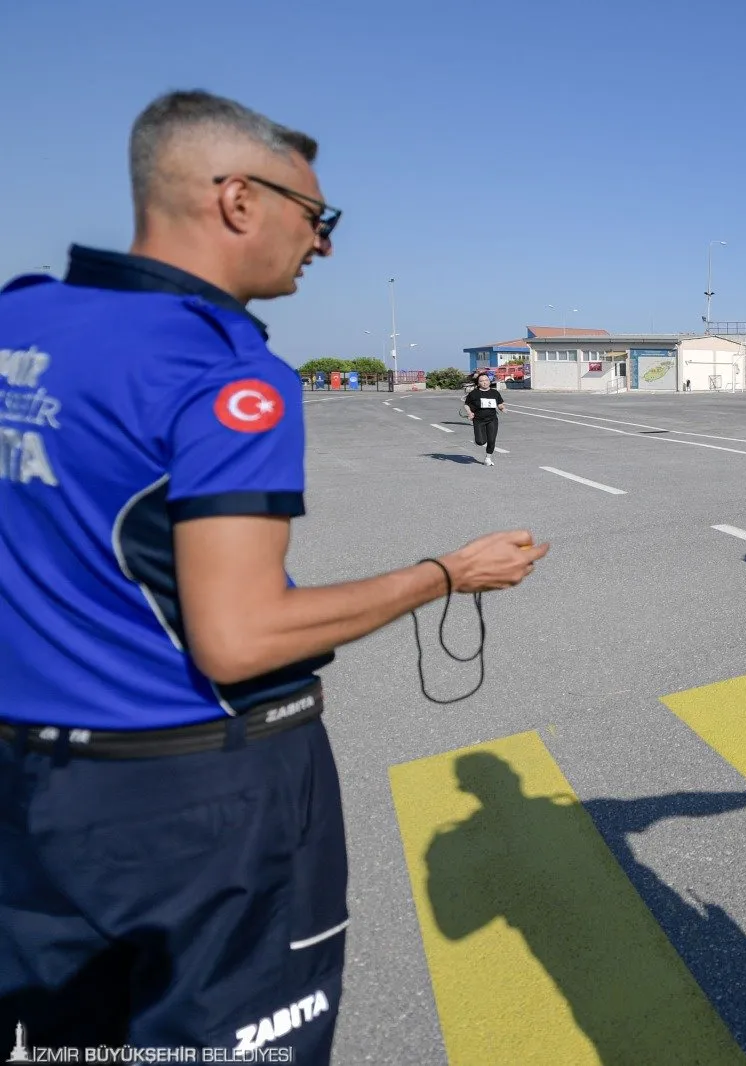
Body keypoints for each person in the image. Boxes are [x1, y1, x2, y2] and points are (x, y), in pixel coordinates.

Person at [0, 90, 549, 1059]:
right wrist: (445, 572)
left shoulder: (22, 320)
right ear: (238, 201)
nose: (322, 245)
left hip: (30, 796)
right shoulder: (222, 375)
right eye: (316, 216)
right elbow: (239, 635)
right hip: (190, 799)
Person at [464, 370, 505, 464]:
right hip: (478, 420)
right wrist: (470, 413)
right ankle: (477, 439)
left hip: (492, 419)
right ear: (478, 383)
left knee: (491, 440)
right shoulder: (474, 393)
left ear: (489, 381)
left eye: (486, 380)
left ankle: (488, 458)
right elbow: (466, 405)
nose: (484, 382)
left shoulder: (495, 393)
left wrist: (502, 408)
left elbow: (500, 403)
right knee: (480, 442)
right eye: (482, 381)